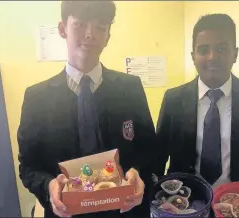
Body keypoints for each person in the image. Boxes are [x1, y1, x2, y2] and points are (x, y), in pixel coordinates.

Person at [18, 1, 156, 218]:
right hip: (66, 212)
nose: (90, 34)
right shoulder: (37, 98)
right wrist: (49, 186)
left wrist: (138, 173)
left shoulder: (131, 88)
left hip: (125, 210)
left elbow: (150, 149)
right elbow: (28, 166)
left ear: (108, 36)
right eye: (80, 24)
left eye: (100, 27)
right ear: (63, 28)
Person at [155, 14, 239, 200]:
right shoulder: (173, 99)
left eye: (221, 48)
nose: (212, 57)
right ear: (193, 56)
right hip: (185, 202)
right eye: (203, 50)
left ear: (235, 54)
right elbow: (159, 154)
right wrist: (152, 195)